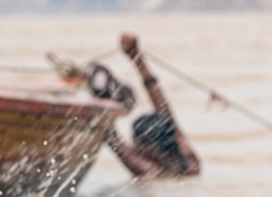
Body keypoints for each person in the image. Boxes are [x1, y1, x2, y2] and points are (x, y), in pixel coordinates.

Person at [80, 34, 201, 179]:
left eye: (137, 142)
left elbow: (112, 138)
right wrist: (136, 57)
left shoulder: (151, 172)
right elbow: (165, 110)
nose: (134, 146)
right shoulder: (192, 163)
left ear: (150, 147)